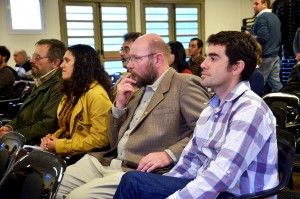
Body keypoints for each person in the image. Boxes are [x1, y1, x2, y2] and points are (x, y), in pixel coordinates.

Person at [114, 31, 278, 199]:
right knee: (135, 182)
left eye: (213, 58)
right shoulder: (211, 109)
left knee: (133, 183)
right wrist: (159, 188)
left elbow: (221, 176)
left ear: (236, 67)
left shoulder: (250, 110)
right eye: (206, 57)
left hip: (235, 194)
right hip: (213, 187)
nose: (203, 64)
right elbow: (189, 164)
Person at [56, 33, 210, 199]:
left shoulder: (184, 84)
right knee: (51, 185)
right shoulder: (137, 89)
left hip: (136, 168)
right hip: (106, 161)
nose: (129, 65)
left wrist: (169, 154)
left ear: (157, 59)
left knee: (77, 197)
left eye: (135, 58)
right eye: (129, 59)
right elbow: (113, 141)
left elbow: (207, 133)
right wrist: (119, 106)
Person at [39, 44, 112, 156]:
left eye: (67, 61)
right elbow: (65, 127)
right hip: (68, 151)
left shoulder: (96, 94)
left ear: (82, 63)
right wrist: (51, 139)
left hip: (84, 156)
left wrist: (59, 145)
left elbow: (100, 139)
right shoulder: (71, 90)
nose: (61, 66)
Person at [0, 39, 66, 145]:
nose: (31, 60)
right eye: (33, 56)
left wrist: (14, 135)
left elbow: (47, 126)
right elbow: (24, 116)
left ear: (55, 63)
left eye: (37, 57)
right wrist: (10, 127)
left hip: (38, 143)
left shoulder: (60, 86)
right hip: (26, 138)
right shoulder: (42, 80)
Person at [248, 0, 282, 92]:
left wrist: (249, 35)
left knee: (257, 83)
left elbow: (263, 37)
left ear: (265, 4)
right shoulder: (275, 17)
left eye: (256, 4)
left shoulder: (261, 18)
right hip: (275, 55)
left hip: (265, 57)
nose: (253, 6)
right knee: (276, 84)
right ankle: (279, 103)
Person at [111, 32, 143, 101]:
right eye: (121, 49)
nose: (121, 54)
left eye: (126, 49)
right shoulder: (122, 79)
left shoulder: (147, 81)